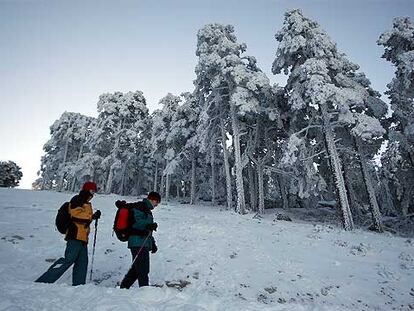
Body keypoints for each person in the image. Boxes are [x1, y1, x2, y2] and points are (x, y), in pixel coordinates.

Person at [35, 181, 101, 286]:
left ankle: (79, 286)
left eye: (94, 191)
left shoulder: (86, 203)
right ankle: (44, 280)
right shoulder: (77, 199)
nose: (93, 194)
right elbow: (76, 215)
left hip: (83, 237)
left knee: (82, 262)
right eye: (92, 191)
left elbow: (83, 219)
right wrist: (91, 216)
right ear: (87, 190)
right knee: (68, 260)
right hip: (74, 235)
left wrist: (93, 217)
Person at [119, 191, 161, 288]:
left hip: (143, 242)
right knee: (143, 269)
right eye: (156, 202)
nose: (157, 205)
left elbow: (148, 231)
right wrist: (148, 225)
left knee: (136, 269)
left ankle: (123, 288)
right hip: (137, 241)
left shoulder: (147, 210)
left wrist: (153, 244)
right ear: (151, 199)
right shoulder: (140, 207)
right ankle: (144, 291)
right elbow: (136, 222)